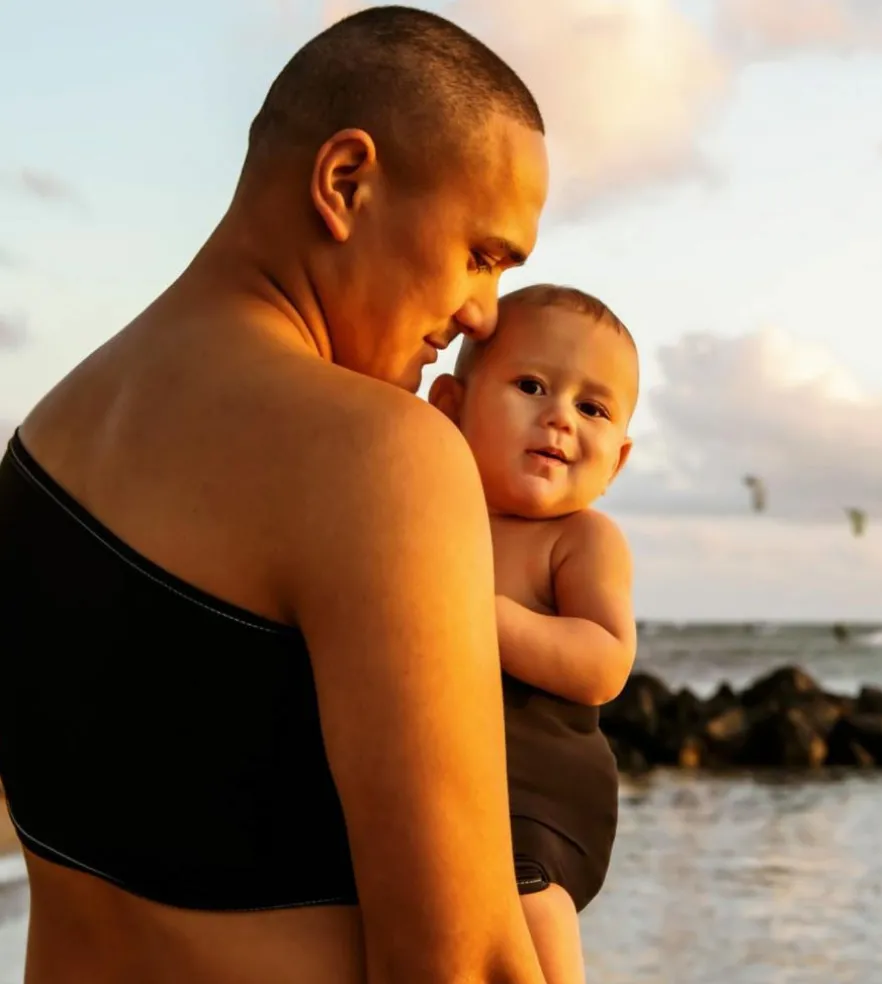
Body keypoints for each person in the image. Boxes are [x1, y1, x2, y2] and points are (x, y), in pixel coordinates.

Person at [0, 7, 551, 984]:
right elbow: (461, 965)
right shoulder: (379, 456)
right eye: (482, 255)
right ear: (345, 183)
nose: (482, 315)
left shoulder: (42, 442)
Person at [428, 285, 639, 984]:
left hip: (538, 795)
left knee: (527, 901)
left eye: (592, 408)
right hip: (440, 777)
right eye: (531, 386)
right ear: (450, 406)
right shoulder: (426, 512)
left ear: (617, 462)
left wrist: (483, 614)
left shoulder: (579, 540)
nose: (559, 418)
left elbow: (605, 661)